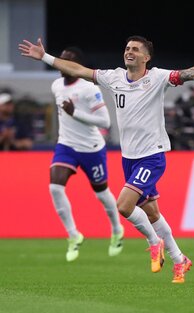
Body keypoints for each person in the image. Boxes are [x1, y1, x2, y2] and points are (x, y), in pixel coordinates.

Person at [19, 36, 194, 282]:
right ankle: (180, 260)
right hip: (129, 158)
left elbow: (190, 73)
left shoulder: (158, 77)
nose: (129, 52)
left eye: (136, 49)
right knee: (152, 214)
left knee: (124, 206)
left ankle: (154, 243)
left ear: (146, 57)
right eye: (127, 48)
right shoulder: (114, 77)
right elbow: (78, 69)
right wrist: (45, 57)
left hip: (152, 156)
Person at [48, 47, 124, 262]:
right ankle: (74, 235)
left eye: (67, 61)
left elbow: (105, 122)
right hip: (66, 146)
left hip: (91, 148)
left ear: (77, 66)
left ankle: (117, 229)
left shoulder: (89, 88)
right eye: (60, 60)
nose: (62, 64)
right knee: (55, 187)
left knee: (101, 193)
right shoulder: (56, 85)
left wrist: (76, 113)